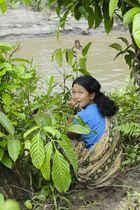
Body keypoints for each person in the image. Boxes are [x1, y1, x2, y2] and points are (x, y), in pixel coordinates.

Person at [68, 75, 122, 188]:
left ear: (92, 95)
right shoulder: (103, 107)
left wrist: (70, 113)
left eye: (80, 92)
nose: (76, 96)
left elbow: (69, 134)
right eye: (73, 92)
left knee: (63, 141)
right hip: (112, 164)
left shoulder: (81, 116)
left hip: (95, 172)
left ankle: (79, 175)